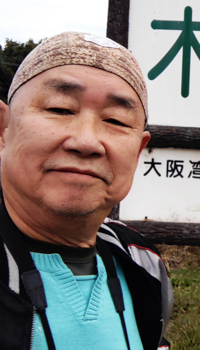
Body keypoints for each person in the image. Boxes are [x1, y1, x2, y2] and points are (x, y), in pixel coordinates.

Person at [0, 32, 173, 350]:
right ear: (3, 130)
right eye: (60, 109)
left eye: (116, 120)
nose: (87, 141)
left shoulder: (143, 263)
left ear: (138, 151)